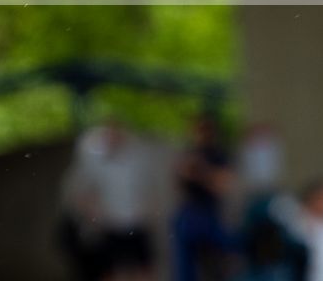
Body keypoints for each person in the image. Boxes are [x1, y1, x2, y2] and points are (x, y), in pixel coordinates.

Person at [64, 120, 159, 281]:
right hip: (111, 224)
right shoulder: (96, 163)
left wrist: (148, 210)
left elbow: (148, 189)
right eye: (111, 135)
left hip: (136, 222)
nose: (115, 138)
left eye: (118, 134)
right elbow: (81, 193)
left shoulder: (134, 162)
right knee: (108, 270)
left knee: (144, 268)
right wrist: (92, 213)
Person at [170, 114, 237, 281]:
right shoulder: (189, 152)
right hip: (189, 212)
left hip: (209, 214)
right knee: (185, 265)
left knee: (218, 260)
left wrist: (202, 170)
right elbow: (179, 182)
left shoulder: (218, 155)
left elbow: (222, 185)